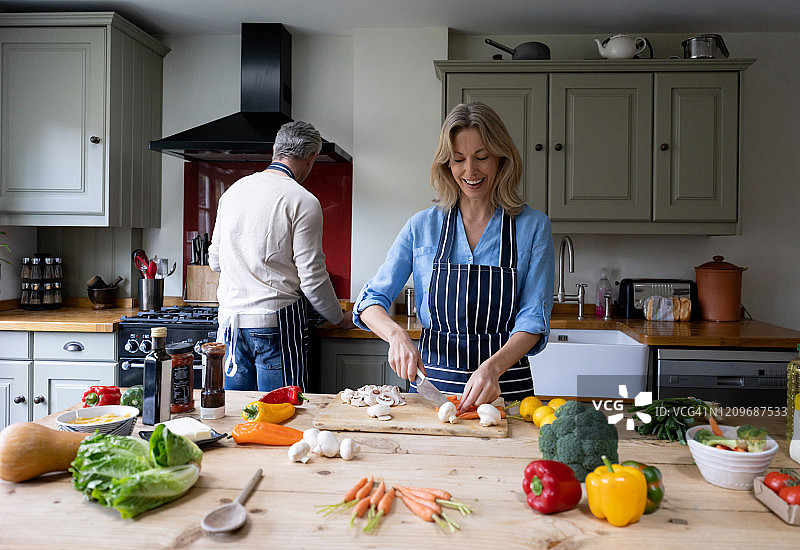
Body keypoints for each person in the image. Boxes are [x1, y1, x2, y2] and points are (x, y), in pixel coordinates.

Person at [353, 102, 554, 411]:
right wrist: (396, 335)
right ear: (446, 165)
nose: (470, 171)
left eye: (482, 157)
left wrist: (492, 368)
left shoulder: (532, 227)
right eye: (459, 159)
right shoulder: (422, 227)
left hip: (504, 388)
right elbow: (370, 301)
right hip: (432, 392)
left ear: (502, 158)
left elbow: (533, 318)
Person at [208, 120, 354, 392]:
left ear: (275, 149)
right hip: (276, 326)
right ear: (312, 158)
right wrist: (338, 318)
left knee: (238, 420)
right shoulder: (302, 200)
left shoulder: (232, 192)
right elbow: (312, 278)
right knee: (284, 417)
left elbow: (215, 261)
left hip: (230, 326)